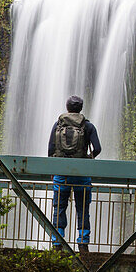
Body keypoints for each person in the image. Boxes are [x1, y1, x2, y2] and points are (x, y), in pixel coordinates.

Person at [47, 94, 101, 255]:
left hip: (61, 172)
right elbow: (97, 148)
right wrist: (88, 159)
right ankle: (83, 244)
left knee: (59, 207)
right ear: (81, 108)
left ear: (67, 107)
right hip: (82, 173)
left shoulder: (58, 124)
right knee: (83, 209)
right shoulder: (88, 126)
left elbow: (50, 148)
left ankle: (57, 242)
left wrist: (53, 169)